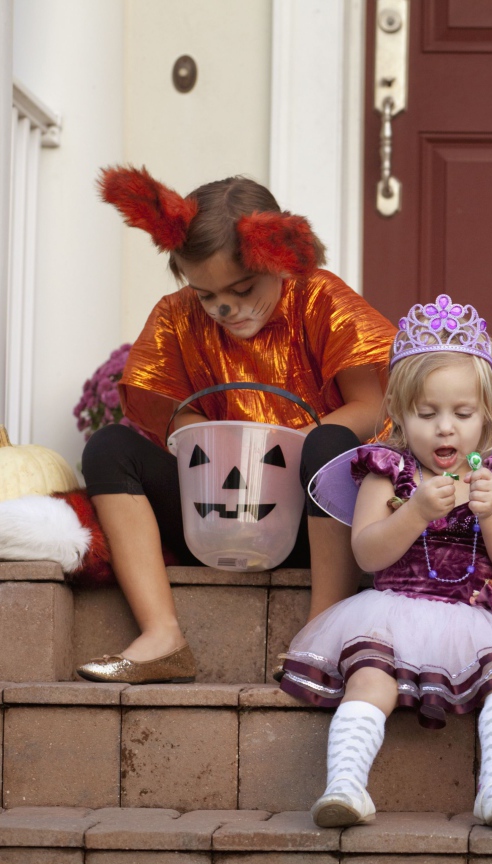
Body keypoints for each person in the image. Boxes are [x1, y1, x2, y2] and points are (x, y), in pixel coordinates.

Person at [77, 165, 397, 685]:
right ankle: (161, 636)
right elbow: (177, 419)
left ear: (281, 260)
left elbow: (372, 405)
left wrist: (288, 447)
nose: (225, 307)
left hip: (313, 523)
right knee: (109, 447)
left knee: (329, 443)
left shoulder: (320, 299)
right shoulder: (178, 316)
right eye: (206, 295)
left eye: (243, 288)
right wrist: (217, 445)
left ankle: (322, 631)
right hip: (218, 515)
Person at [278, 294, 492, 829]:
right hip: (393, 609)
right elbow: (367, 551)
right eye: (427, 414)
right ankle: (345, 785)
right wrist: (414, 511)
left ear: (486, 417)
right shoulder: (388, 473)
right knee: (369, 679)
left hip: (478, 616)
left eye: (462, 414)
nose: (445, 428)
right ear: (398, 414)